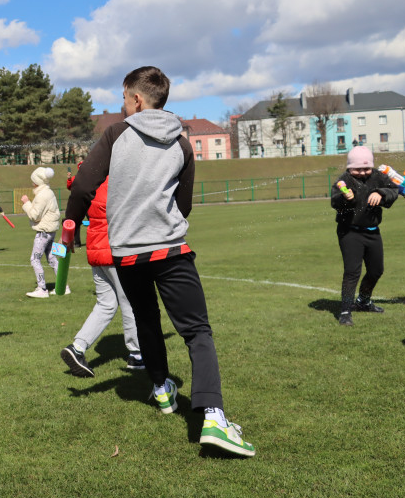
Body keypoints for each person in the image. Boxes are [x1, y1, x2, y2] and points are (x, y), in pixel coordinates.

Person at [66, 66, 254, 457]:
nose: (121, 107)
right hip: (170, 250)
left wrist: (71, 225)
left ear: (136, 99)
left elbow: (84, 184)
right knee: (197, 332)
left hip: (127, 254)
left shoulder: (116, 134)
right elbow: (183, 205)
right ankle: (213, 416)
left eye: (122, 99)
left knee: (146, 319)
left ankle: (162, 389)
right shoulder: (183, 144)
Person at [60, 175, 143, 376]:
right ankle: (137, 354)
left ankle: (77, 348)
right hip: (116, 250)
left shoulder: (89, 183)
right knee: (131, 302)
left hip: (97, 250)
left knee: (105, 304)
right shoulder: (114, 180)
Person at [330, 146, 397, 326]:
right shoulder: (343, 181)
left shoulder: (378, 177)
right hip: (349, 232)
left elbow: (394, 190)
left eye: (366, 168)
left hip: (372, 231)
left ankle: (364, 302)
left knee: (376, 270)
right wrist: (347, 199)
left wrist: (380, 193)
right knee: (352, 271)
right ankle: (345, 310)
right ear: (350, 167)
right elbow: (335, 202)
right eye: (357, 169)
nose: (362, 172)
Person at [22, 167, 62, 298]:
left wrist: (26, 203)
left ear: (37, 181)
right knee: (51, 258)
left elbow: (34, 215)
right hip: (51, 231)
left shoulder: (42, 195)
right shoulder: (47, 192)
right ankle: (63, 286)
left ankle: (42, 288)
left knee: (35, 259)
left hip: (43, 232)